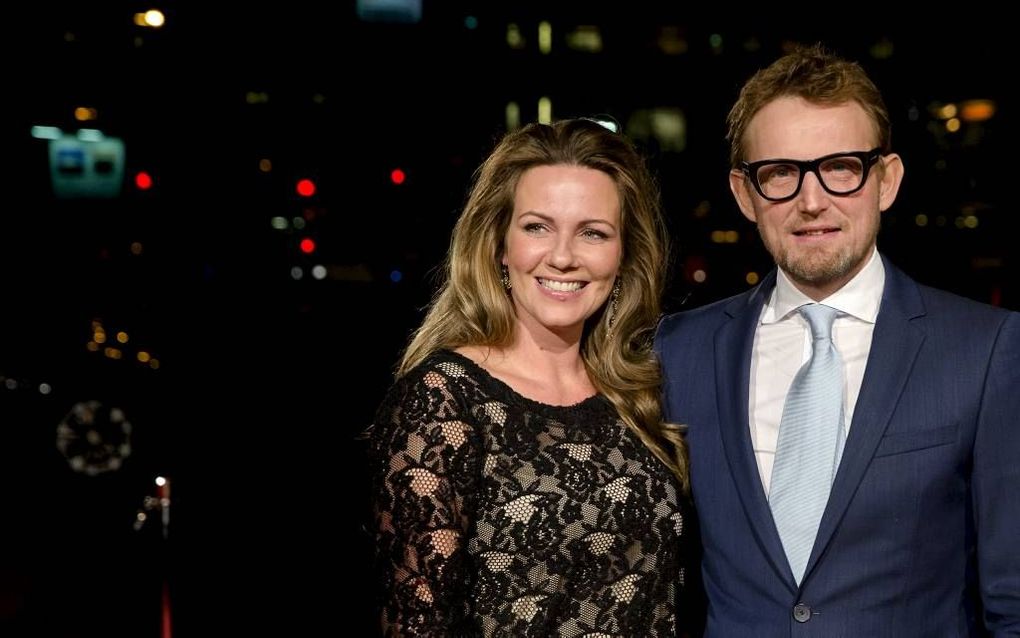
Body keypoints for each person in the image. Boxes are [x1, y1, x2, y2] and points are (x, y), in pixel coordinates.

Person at [655, 43, 1020, 636]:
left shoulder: (985, 351)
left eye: (841, 167)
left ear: (887, 181)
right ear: (744, 194)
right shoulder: (680, 351)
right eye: (780, 173)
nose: (812, 200)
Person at [368, 118, 691, 637]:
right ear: (499, 242)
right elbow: (417, 624)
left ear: (623, 253)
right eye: (537, 227)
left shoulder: (645, 392)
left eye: (593, 233)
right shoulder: (445, 399)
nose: (562, 256)